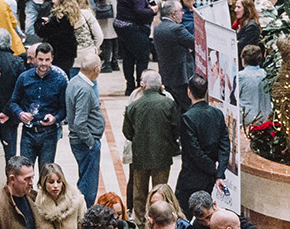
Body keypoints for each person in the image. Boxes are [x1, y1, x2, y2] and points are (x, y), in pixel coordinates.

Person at [121, 72, 176, 216]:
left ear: (143, 85)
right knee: (160, 192)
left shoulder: (133, 106)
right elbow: (176, 129)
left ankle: (140, 224)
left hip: (140, 156)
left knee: (139, 193)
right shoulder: (169, 103)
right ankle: (160, 219)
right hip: (163, 156)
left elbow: (127, 132)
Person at [175, 77, 232, 202]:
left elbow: (193, 151)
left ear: (189, 92)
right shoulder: (217, 114)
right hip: (209, 178)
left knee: (183, 215)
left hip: (191, 176)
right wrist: (218, 173)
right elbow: (225, 145)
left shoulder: (187, 118)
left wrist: (213, 168)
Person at [66, 52, 108, 205]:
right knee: (88, 186)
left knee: (85, 179)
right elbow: (79, 122)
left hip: (81, 141)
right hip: (85, 143)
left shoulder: (75, 81)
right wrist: (90, 142)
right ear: (96, 68)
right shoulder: (84, 89)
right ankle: (85, 215)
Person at [113, 0, 155, 93]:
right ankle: (139, 85)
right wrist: (153, 10)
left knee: (128, 58)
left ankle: (130, 85)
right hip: (134, 29)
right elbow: (140, 12)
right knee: (142, 57)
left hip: (122, 28)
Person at [151, 0, 194, 100]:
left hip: (165, 75)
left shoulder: (157, 28)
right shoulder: (177, 29)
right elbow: (195, 43)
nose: (183, 13)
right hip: (181, 76)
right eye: (180, 11)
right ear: (173, 14)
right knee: (185, 106)